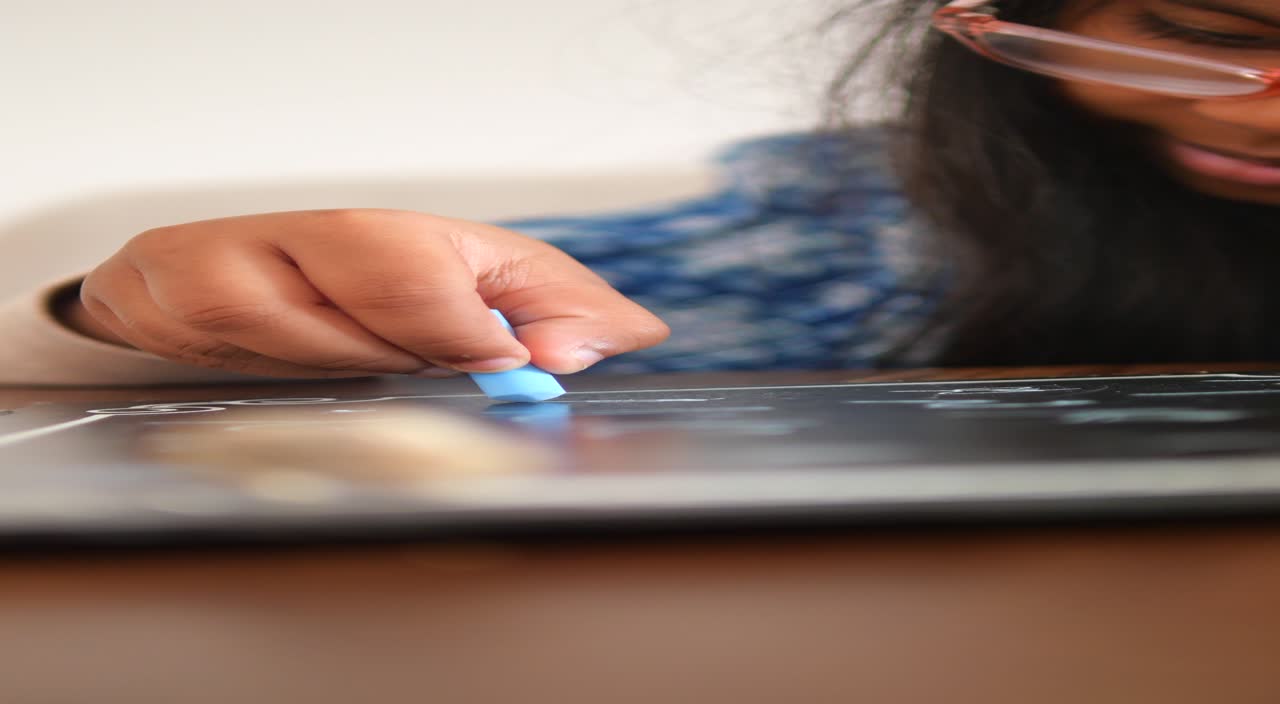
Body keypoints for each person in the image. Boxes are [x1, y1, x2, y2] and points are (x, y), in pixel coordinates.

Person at [5, 0, 1280, 386]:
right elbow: (474, 321)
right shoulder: (855, 242)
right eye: (1186, 27)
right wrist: (110, 315)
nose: (1258, 110)